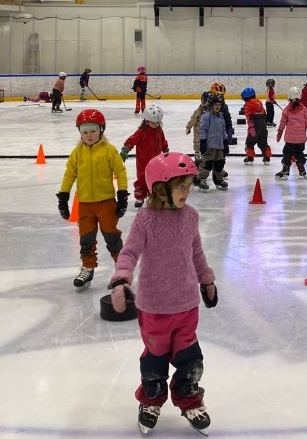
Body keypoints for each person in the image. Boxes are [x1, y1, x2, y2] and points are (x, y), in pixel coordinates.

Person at [109, 152, 217, 437]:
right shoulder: (146, 219)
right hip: (154, 307)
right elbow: (130, 251)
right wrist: (121, 278)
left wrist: (206, 279)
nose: (187, 191)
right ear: (160, 187)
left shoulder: (191, 217)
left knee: (190, 360)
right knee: (155, 360)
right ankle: (151, 401)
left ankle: (190, 401)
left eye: (189, 184)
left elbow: (196, 252)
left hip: (186, 305)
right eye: (181, 185)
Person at [56, 109, 129, 289]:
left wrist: (122, 195)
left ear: (101, 130)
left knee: (111, 236)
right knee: (86, 238)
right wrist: (63, 197)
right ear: (80, 133)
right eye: (85, 132)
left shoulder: (109, 150)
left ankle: (122, 268)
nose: (89, 135)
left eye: (93, 131)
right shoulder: (77, 153)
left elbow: (120, 172)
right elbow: (69, 174)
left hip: (106, 203)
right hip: (85, 205)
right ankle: (88, 267)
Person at [120, 105, 169, 208]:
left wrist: (165, 149)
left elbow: (163, 140)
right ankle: (140, 196)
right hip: (143, 162)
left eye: (158, 123)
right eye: (153, 123)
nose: (156, 125)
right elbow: (131, 140)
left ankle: (155, 196)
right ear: (146, 121)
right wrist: (126, 149)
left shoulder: (159, 130)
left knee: (157, 179)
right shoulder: (142, 132)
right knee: (142, 180)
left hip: (157, 161)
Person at [275, 85, 307, 179]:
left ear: (289, 98)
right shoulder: (304, 109)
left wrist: (279, 133)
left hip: (290, 140)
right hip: (301, 139)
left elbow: (282, 123)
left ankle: (286, 169)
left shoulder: (286, 110)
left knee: (287, 153)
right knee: (299, 153)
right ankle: (301, 167)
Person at [193, 93, 231, 191]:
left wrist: (225, 142)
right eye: (216, 105)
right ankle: (201, 179)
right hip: (210, 145)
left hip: (220, 145)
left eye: (219, 105)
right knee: (207, 163)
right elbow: (203, 130)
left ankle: (218, 180)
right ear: (211, 106)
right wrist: (203, 142)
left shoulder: (221, 117)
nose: (218, 107)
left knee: (220, 163)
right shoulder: (206, 116)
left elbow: (223, 131)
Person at [241, 87, 272, 165]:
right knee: (263, 142)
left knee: (249, 142)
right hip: (263, 126)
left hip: (254, 126)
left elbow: (249, 117)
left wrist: (251, 128)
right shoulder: (259, 102)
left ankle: (250, 157)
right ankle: (267, 157)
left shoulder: (247, 105)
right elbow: (264, 113)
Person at [184, 92, 210, 162]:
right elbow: (193, 119)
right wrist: (188, 127)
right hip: (199, 131)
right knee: (197, 143)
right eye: (205, 100)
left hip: (208, 131)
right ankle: (197, 155)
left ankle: (208, 157)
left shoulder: (212, 110)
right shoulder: (199, 110)